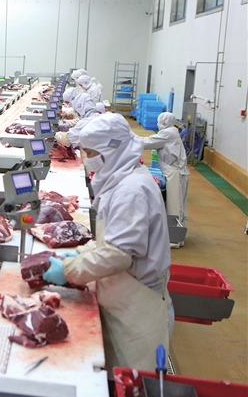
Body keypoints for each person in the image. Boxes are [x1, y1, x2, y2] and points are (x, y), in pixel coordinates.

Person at [42, 114, 173, 372]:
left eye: (92, 153)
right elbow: (112, 238)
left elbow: (118, 254)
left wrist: (69, 270)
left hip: (137, 308)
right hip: (124, 296)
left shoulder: (131, 190)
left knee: (130, 382)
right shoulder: (122, 177)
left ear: (112, 149)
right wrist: (81, 253)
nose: (87, 158)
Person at [142, 112, 189, 227]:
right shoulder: (172, 131)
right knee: (177, 205)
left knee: (174, 207)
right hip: (175, 172)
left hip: (175, 174)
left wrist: (128, 138)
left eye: (159, 122)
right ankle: (177, 232)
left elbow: (148, 142)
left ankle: (174, 234)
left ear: (163, 122)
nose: (158, 124)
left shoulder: (167, 133)